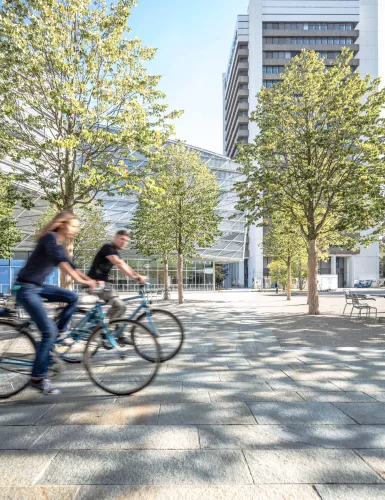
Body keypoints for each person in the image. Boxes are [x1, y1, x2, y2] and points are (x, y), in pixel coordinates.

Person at [15, 211, 97, 395]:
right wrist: (84, 282)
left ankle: (60, 331)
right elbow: (65, 267)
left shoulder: (60, 244)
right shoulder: (50, 239)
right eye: (74, 226)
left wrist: (91, 279)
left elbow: (73, 266)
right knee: (47, 332)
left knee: (72, 297)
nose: (76, 229)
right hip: (26, 289)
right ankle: (37, 378)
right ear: (63, 224)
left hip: (37, 287)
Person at [87, 230, 146, 321]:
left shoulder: (115, 252)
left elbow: (124, 264)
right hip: (96, 283)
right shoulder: (108, 247)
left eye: (126, 240)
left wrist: (137, 275)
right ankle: (104, 331)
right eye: (121, 239)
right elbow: (118, 263)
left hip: (103, 284)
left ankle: (104, 329)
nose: (123, 242)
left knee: (118, 305)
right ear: (115, 238)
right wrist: (135, 277)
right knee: (120, 306)